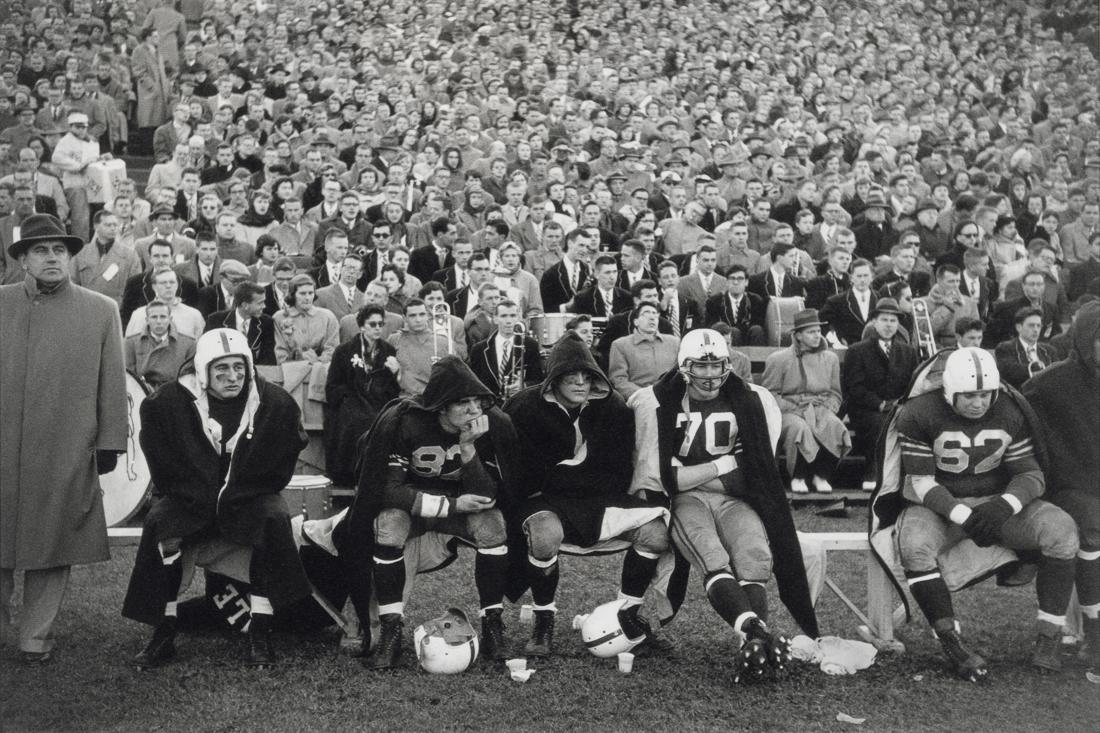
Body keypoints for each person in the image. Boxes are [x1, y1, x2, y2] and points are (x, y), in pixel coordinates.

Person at [629, 329, 819, 680]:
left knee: (754, 555)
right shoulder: (657, 401)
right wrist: (722, 464)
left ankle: (752, 638)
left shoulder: (752, 400)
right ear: (684, 366)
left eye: (716, 364)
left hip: (732, 498)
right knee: (712, 556)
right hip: (685, 501)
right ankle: (756, 633)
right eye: (700, 366)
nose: (709, 374)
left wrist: (695, 473)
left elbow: (752, 474)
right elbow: (665, 477)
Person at [122, 329, 312, 668]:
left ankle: (261, 631)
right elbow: (160, 458)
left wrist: (241, 487)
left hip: (247, 495)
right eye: (221, 369)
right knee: (160, 523)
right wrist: (194, 490)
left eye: (239, 367)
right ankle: (164, 631)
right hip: (190, 497)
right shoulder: (169, 402)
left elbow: (283, 459)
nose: (232, 376)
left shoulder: (273, 403)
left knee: (274, 519)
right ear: (203, 371)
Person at [884, 348, 1078, 679]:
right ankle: (951, 643)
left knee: (1062, 530)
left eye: (985, 394)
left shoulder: (1009, 410)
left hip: (996, 501)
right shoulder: (918, 413)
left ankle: (1049, 636)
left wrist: (1003, 506)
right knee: (915, 546)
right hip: (938, 505)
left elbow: (1031, 475)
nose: (979, 403)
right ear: (948, 392)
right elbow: (919, 483)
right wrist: (963, 514)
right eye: (969, 395)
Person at [333, 357, 517, 668]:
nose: (475, 410)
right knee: (388, 525)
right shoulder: (404, 422)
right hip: (412, 504)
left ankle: (492, 625)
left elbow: (487, 495)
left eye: (478, 401)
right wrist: (450, 505)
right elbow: (386, 489)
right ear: (441, 406)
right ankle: (391, 630)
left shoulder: (491, 423)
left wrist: (469, 448)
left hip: (458, 506)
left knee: (493, 525)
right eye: (463, 403)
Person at [1, 213, 127, 664]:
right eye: (41, 250)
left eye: (59, 250)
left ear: (71, 257)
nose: (52, 257)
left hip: (64, 447)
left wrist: (111, 441)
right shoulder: (1, 303)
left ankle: (35, 635)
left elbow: (112, 382)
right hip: (2, 446)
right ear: (23, 259)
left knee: (52, 542)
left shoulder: (100, 310)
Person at [502, 331, 671, 657]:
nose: (580, 383)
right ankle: (543, 620)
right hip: (545, 499)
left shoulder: (614, 408)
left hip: (599, 498)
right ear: (553, 379)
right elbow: (511, 466)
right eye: (570, 376)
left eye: (587, 375)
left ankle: (628, 616)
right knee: (545, 534)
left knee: (656, 533)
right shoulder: (524, 407)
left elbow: (621, 467)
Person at [1023, 301, 1100, 678]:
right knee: (1090, 526)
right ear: (1085, 339)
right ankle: (1093, 632)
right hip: (1069, 487)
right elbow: (1021, 427)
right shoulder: (1049, 383)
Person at [762, 309, 851, 494]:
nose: (817, 335)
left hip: (820, 408)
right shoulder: (779, 359)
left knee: (834, 426)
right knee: (799, 428)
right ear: (798, 335)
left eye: (819, 331)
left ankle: (821, 475)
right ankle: (798, 476)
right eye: (811, 332)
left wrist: (828, 409)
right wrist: (795, 409)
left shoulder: (830, 359)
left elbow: (835, 393)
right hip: (789, 411)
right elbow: (770, 395)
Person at [841, 298, 919, 488]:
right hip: (867, 409)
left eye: (893, 321)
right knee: (880, 422)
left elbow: (913, 383)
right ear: (874, 322)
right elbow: (854, 387)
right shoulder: (857, 351)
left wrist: (901, 403)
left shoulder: (908, 352)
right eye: (884, 320)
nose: (889, 325)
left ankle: (909, 477)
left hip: (899, 407)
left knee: (914, 421)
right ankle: (873, 472)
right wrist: (879, 403)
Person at [324, 305, 402, 486]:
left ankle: (376, 477)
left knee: (381, 421)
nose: (377, 328)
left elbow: (394, 389)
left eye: (380, 324)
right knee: (357, 421)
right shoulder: (343, 351)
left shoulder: (388, 351)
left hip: (379, 402)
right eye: (372, 324)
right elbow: (332, 387)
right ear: (361, 326)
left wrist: (396, 371)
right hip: (351, 401)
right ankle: (351, 477)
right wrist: (350, 396)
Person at [469, 299, 544, 400]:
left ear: (518, 318)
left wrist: (524, 386)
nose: (508, 321)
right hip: (490, 407)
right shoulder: (479, 349)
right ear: (495, 319)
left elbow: (539, 380)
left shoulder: (530, 345)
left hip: (519, 403)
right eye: (503, 316)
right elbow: (474, 383)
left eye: (513, 316)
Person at [608, 302, 680, 399]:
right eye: (646, 313)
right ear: (636, 322)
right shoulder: (620, 345)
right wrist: (645, 395)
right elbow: (618, 379)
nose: (652, 317)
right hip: (639, 398)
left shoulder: (674, 343)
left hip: (672, 396)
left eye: (655, 314)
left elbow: (682, 373)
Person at [125, 300, 197, 390]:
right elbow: (128, 376)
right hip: (142, 391)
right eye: (154, 317)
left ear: (170, 319)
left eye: (163, 317)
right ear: (147, 320)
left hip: (175, 391)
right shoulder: (132, 342)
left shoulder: (188, 343)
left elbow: (190, 378)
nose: (159, 321)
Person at [204, 281, 277, 366]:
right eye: (260, 303)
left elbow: (268, 359)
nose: (264, 306)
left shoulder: (267, 323)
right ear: (245, 305)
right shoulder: (216, 321)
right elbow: (207, 353)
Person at [273, 274, 339, 364]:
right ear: (293, 295)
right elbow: (280, 354)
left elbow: (332, 349)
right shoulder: (279, 317)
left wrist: (316, 363)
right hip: (290, 371)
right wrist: (300, 358)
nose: (307, 298)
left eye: (310, 293)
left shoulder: (328, 316)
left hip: (321, 370)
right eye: (302, 294)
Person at [125, 267, 205, 339]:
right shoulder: (140, 315)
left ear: (177, 285)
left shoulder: (194, 315)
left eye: (172, 282)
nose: (168, 286)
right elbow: (130, 345)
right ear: (154, 287)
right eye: (163, 283)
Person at [993, 308, 1058, 389]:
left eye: (1038, 326)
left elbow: (1057, 374)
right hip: (1020, 395)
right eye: (1031, 325)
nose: (1036, 330)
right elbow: (1008, 371)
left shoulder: (1049, 350)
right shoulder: (1006, 348)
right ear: (1019, 327)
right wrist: (1034, 369)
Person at [821, 258, 877, 347]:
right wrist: (835, 342)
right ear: (851, 278)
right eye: (859, 276)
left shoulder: (881, 299)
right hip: (848, 352)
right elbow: (822, 325)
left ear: (872, 277)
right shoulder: (836, 301)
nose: (862, 280)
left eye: (866, 276)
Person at [704, 265, 766, 345]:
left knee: (757, 329)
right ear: (726, 282)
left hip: (749, 342)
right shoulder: (714, 301)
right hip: (724, 343)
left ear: (746, 282)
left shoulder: (756, 300)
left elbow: (759, 326)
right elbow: (711, 327)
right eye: (732, 278)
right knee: (733, 331)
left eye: (740, 279)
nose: (736, 282)